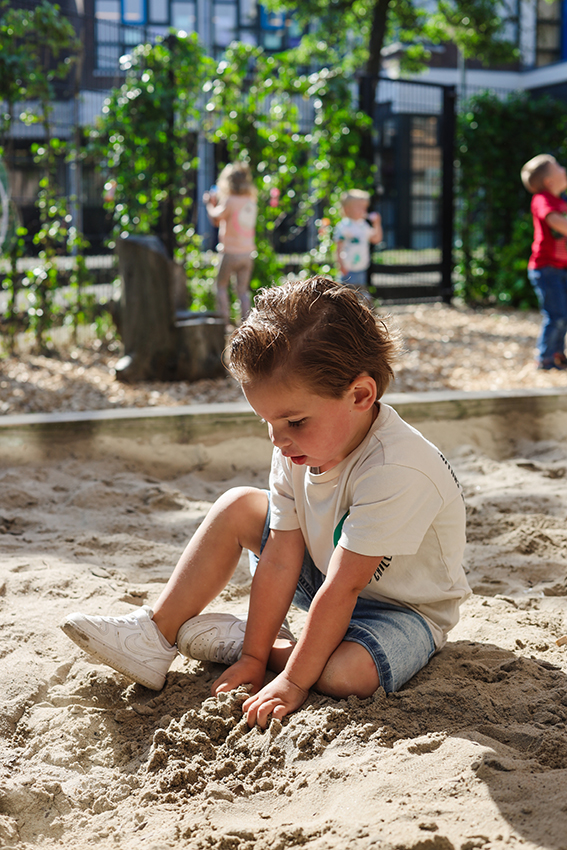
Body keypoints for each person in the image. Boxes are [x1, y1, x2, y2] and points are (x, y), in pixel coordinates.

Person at [61, 277, 470, 729]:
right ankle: (156, 634)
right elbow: (280, 554)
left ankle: (272, 644)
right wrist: (254, 661)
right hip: (322, 573)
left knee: (341, 675)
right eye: (267, 421)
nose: (277, 438)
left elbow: (344, 589)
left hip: (399, 609)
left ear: (359, 395)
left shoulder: (397, 468)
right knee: (239, 505)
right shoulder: (296, 445)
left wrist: (292, 681)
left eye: (293, 420)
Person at [521, 153, 567, 370]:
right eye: (558, 166)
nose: (563, 168)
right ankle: (545, 358)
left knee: (563, 314)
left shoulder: (562, 200)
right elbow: (555, 221)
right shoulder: (543, 200)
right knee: (556, 314)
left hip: (560, 268)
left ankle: (557, 355)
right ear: (549, 181)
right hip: (545, 269)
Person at [203, 161, 258, 328]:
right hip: (247, 253)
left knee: (221, 286)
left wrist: (209, 204)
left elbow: (215, 219)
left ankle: (224, 322)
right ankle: (247, 323)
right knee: (242, 290)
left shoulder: (229, 200)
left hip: (230, 252)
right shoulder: (251, 200)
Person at [334, 189, 382, 293]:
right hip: (348, 269)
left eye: (365, 208)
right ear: (348, 210)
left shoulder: (363, 225)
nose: (364, 211)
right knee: (346, 294)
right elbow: (338, 247)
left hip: (362, 268)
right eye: (360, 208)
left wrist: (377, 224)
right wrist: (341, 265)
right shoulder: (344, 226)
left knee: (360, 295)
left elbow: (376, 239)